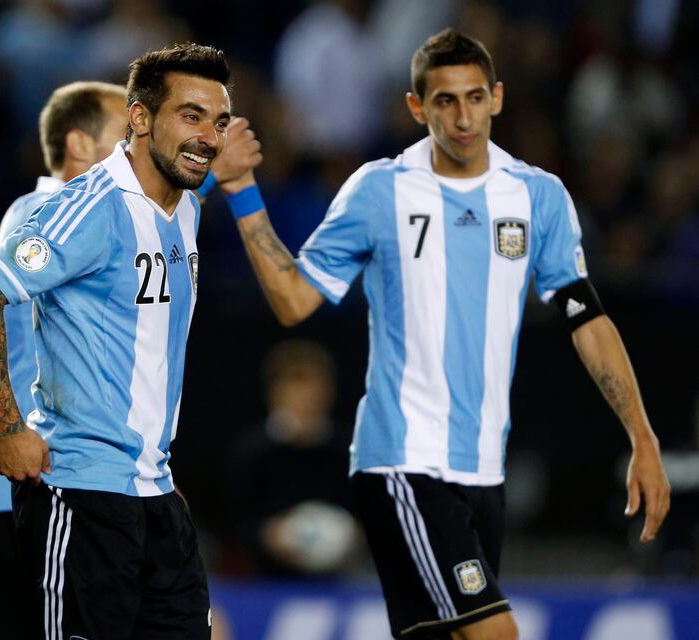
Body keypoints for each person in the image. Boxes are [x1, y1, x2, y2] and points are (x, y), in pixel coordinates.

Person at [216, 30, 671, 639]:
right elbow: (295, 300)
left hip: (484, 470)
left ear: (498, 98)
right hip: (402, 460)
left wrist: (641, 434)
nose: (463, 117)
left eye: (475, 98)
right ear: (416, 107)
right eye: (446, 102)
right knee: (494, 634)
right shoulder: (380, 190)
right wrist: (243, 194)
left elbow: (586, 318)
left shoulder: (537, 196)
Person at [0, 43, 242, 639]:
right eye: (190, 115)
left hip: (155, 495)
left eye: (219, 121)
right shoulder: (88, 206)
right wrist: (8, 428)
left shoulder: (184, 209)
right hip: (80, 494)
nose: (209, 136)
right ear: (138, 118)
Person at [0, 80, 128, 638]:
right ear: (81, 146)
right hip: (26, 491)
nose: (138, 149)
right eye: (125, 135)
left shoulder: (30, 213)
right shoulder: (52, 211)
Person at [226, 339, 359, 578]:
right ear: (275, 393)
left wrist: (351, 534)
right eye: (296, 387)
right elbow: (231, 519)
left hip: (339, 580)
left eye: (312, 389)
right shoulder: (252, 452)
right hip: (266, 582)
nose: (305, 399)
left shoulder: (348, 450)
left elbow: (369, 513)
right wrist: (267, 535)